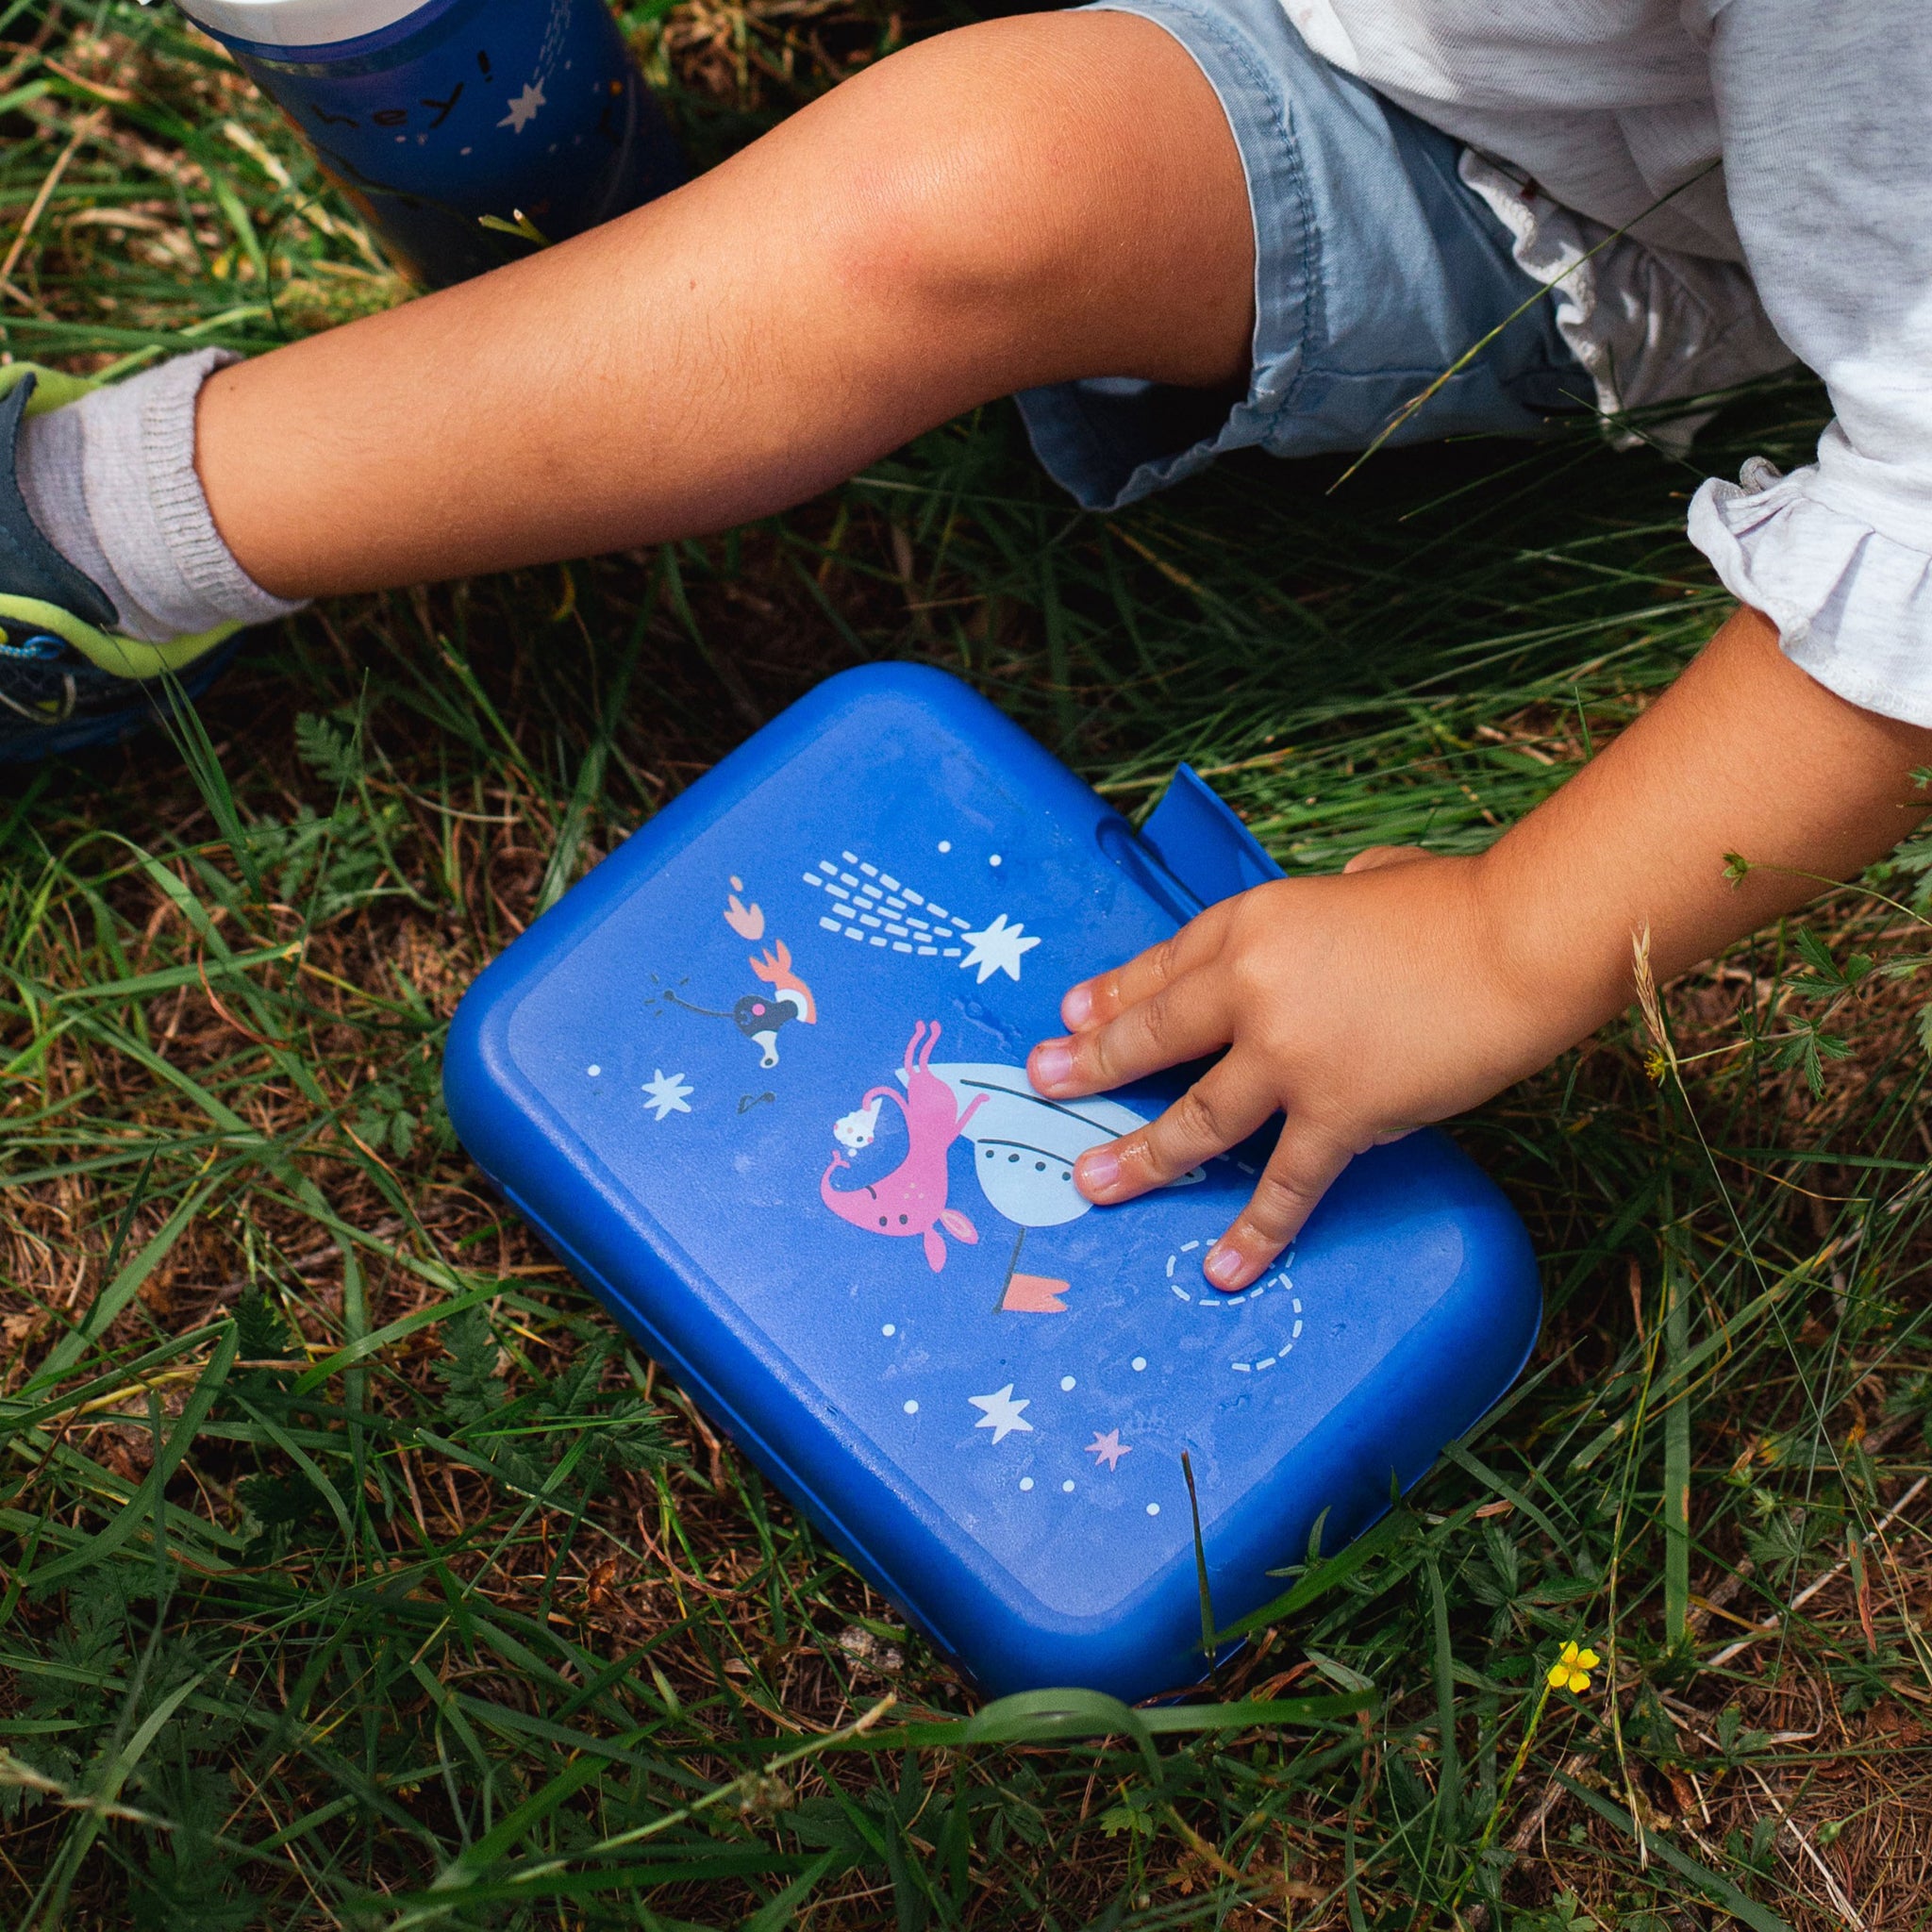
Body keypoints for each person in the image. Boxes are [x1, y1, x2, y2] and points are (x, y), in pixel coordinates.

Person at [1, 0, 1925, 1291]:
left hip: (1509, 143)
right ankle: (517, 174)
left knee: (966, 197)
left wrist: (1509, 940)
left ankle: (87, 541)